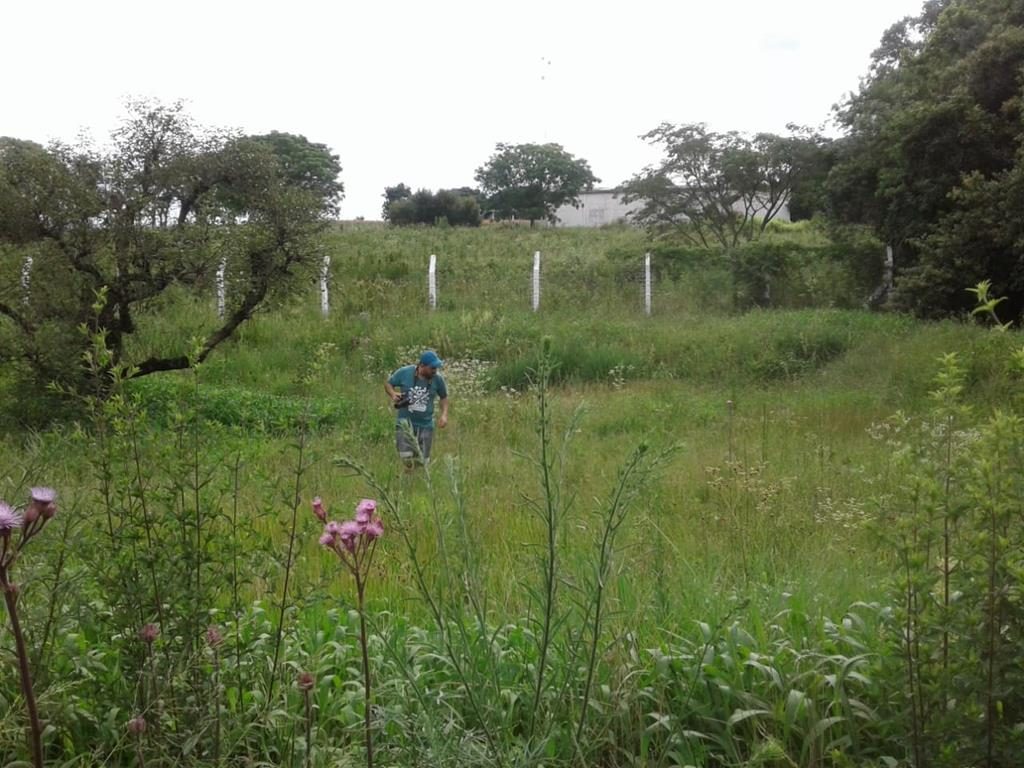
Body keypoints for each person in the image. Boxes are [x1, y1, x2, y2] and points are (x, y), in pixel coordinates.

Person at [385, 350, 449, 468]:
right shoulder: (404, 372)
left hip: (426, 426)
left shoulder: (438, 379)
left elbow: (444, 397)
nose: (435, 370)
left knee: (422, 462)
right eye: (432, 368)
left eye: (436, 368)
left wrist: (444, 415)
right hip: (404, 424)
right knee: (406, 459)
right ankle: (408, 480)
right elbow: (389, 384)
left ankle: (417, 482)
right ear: (422, 366)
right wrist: (393, 394)